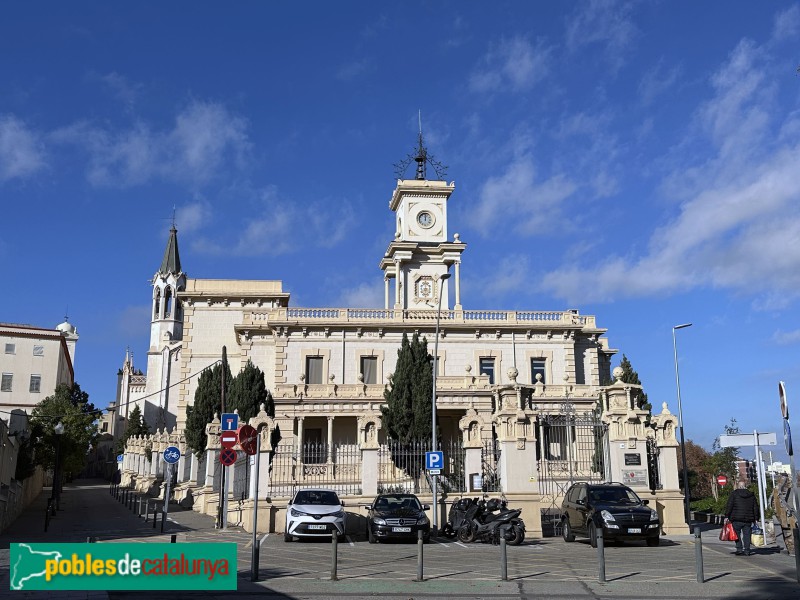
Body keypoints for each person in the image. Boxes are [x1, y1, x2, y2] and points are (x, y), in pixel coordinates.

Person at [725, 481, 759, 556]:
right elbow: (755, 507)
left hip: (736, 518)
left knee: (736, 534)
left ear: (738, 486)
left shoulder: (734, 494)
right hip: (748, 519)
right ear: (745, 486)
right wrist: (756, 518)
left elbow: (729, 505)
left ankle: (739, 548)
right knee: (747, 534)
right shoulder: (751, 495)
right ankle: (747, 550)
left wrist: (727, 516)